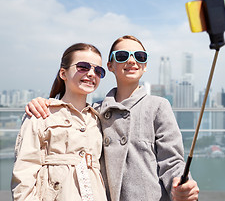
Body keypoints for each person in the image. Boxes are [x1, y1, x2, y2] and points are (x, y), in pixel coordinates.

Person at [25, 35, 200, 201]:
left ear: (145, 65)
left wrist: (182, 184)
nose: (132, 61)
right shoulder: (94, 112)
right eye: (122, 56)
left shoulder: (158, 106)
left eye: (139, 56)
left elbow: (171, 160)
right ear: (110, 66)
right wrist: (43, 103)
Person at [12, 43, 108, 200]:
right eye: (83, 67)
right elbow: (24, 172)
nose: (91, 73)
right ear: (63, 73)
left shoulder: (99, 118)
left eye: (98, 70)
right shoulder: (41, 113)